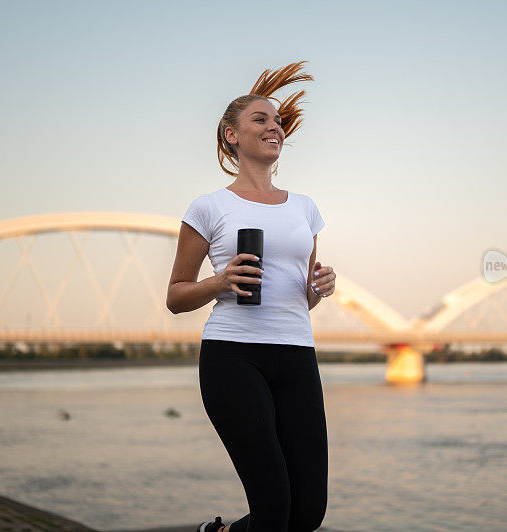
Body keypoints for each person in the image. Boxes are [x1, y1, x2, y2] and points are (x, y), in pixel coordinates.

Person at [166, 60, 336, 532]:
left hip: (297, 355)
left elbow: (303, 292)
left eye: (278, 121)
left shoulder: (305, 208)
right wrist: (220, 282)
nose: (274, 127)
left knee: (307, 513)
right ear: (231, 135)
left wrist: (320, 286)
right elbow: (176, 296)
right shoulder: (209, 207)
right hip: (233, 356)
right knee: (273, 509)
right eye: (260, 119)